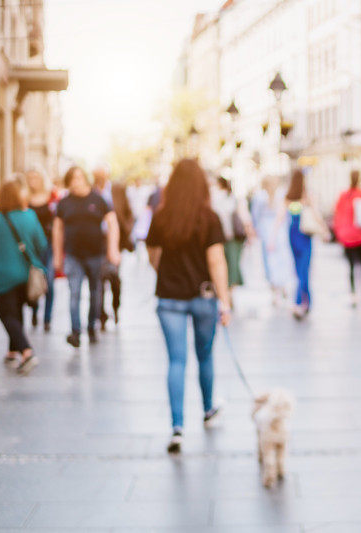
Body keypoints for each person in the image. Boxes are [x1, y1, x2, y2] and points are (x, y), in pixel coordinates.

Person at [145, 159, 231, 454]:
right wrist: (225, 301)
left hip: (169, 297)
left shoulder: (161, 217)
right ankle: (208, 410)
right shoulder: (209, 218)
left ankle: (177, 426)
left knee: (176, 361)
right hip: (203, 296)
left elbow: (153, 255)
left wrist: (167, 275)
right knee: (205, 356)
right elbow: (216, 261)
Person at [0, 181, 47, 372]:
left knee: (7, 315)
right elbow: (41, 244)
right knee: (16, 312)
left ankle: (26, 351)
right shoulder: (30, 216)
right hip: (26, 275)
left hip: (2, 276)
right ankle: (12, 351)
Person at [53, 166, 120, 347]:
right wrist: (57, 255)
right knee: (74, 293)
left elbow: (112, 223)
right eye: (72, 179)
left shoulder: (98, 200)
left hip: (95, 254)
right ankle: (75, 331)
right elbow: (58, 229)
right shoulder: (64, 202)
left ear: (85, 179)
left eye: (79, 178)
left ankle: (91, 327)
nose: (76, 182)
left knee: (95, 292)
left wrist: (113, 250)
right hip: (73, 255)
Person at [92, 166, 134, 330]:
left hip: (116, 241)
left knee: (114, 278)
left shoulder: (117, 190)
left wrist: (127, 231)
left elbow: (128, 212)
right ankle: (101, 314)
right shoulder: (91, 192)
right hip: (97, 242)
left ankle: (116, 308)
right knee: (100, 279)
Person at [333, 170, 361, 306]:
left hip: (346, 236)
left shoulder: (343, 195)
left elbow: (336, 215)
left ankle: (352, 295)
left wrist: (339, 233)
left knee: (351, 266)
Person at [251, 176, 293, 306]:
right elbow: (287, 215)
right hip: (279, 232)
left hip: (268, 232)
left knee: (270, 262)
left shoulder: (260, 196)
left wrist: (256, 230)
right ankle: (281, 287)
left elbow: (255, 215)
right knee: (281, 261)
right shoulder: (279, 195)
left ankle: (276, 290)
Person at [26, 170, 56, 331]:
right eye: (30, 177)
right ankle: (34, 310)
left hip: (48, 244)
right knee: (33, 279)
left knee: (49, 281)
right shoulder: (25, 198)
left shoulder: (51, 196)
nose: (33, 180)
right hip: (30, 246)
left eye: (36, 176)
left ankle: (47, 319)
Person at [211, 176, 252, 293]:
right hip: (233, 237)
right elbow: (245, 217)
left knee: (226, 264)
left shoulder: (218, 198)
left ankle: (227, 290)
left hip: (225, 237)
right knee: (232, 264)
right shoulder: (232, 198)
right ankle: (229, 290)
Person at [284, 169, 313, 319]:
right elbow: (314, 213)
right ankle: (301, 302)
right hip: (304, 235)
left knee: (299, 270)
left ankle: (304, 301)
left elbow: (280, 217)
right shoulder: (305, 197)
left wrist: (271, 238)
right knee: (304, 270)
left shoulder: (288, 198)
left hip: (293, 234)